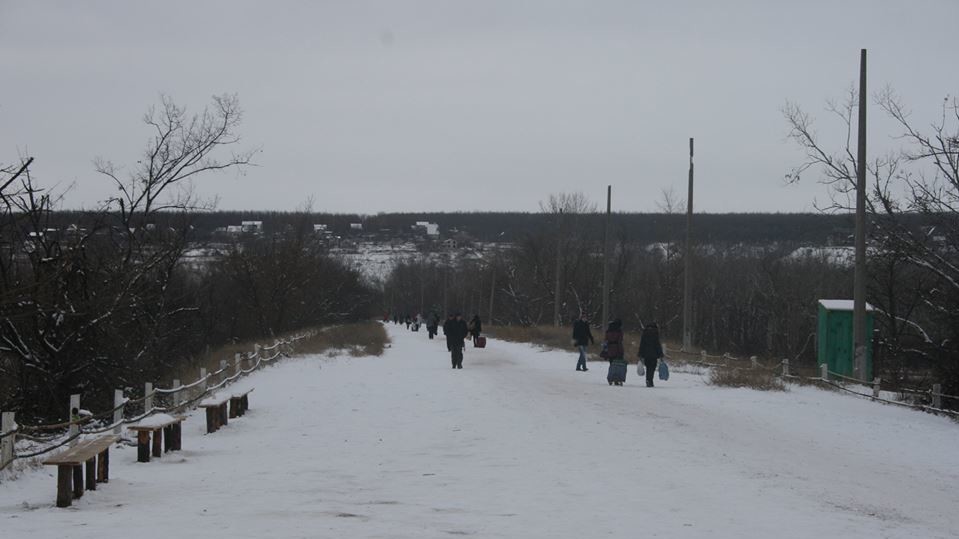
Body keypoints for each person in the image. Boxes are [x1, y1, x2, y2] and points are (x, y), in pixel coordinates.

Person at [637, 322, 664, 387]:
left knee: (648, 367)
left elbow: (642, 344)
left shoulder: (644, 333)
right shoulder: (655, 333)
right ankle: (650, 380)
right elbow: (657, 345)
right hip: (654, 354)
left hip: (646, 354)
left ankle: (648, 380)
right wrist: (660, 354)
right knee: (652, 368)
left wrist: (640, 354)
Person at [602, 319, 626, 386]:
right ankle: (617, 379)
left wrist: (605, 350)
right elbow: (619, 342)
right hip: (617, 349)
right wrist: (621, 351)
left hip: (610, 349)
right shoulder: (619, 331)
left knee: (611, 364)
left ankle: (611, 378)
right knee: (618, 364)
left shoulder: (608, 330)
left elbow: (605, 340)